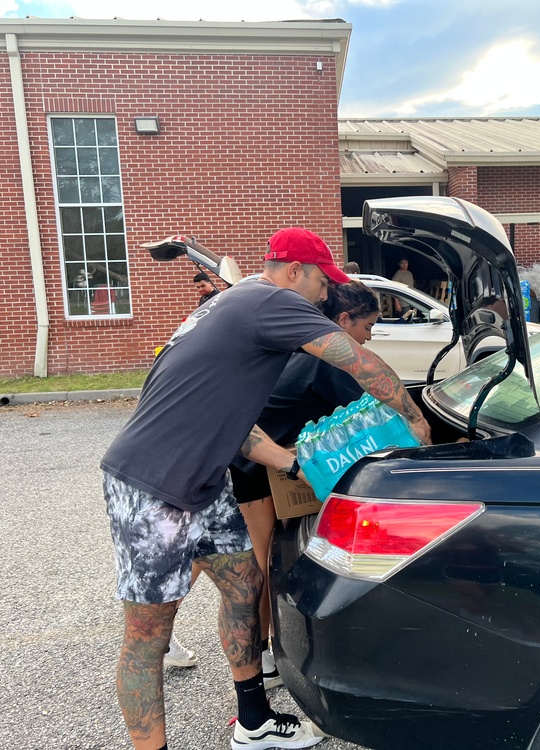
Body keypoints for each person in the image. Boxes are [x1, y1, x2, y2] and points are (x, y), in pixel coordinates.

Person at [100, 227, 431, 750]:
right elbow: (360, 363)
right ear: (295, 272)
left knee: (242, 587)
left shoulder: (240, 301)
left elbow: (222, 412)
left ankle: (254, 720)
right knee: (148, 633)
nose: (327, 295)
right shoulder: (271, 300)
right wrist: (414, 422)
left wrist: (289, 461)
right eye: (324, 282)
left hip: (203, 480)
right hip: (153, 483)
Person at [232, 280, 380, 690]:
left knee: (252, 563)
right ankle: (261, 659)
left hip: (250, 457)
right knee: (261, 567)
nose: (368, 338)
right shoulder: (327, 360)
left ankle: (259, 654)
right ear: (344, 320)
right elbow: (371, 407)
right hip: (248, 465)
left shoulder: (305, 350)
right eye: (367, 327)